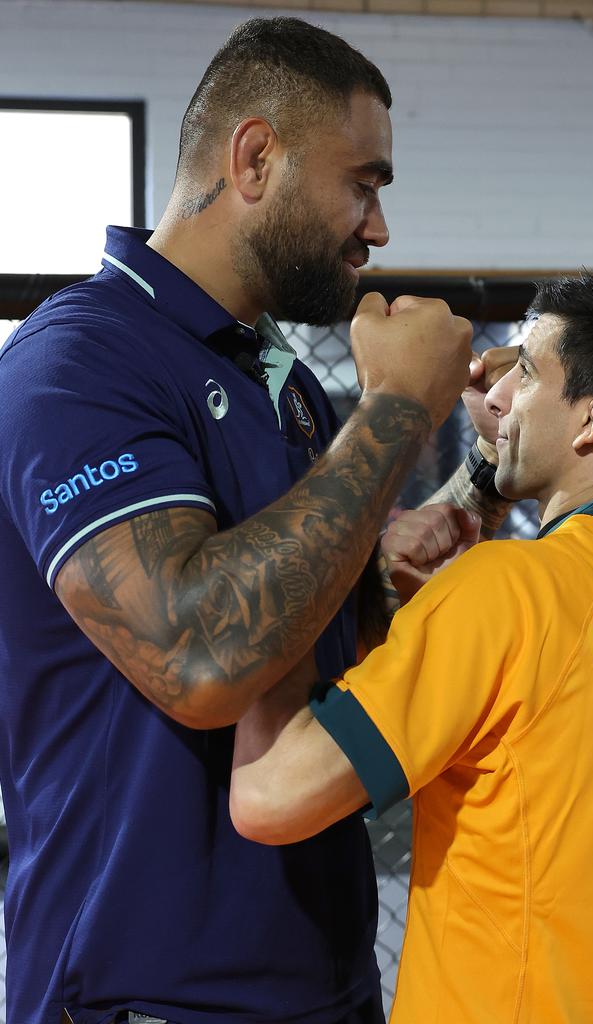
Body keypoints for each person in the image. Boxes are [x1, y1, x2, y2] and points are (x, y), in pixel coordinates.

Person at [0, 17, 514, 1024]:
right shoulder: (78, 367)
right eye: (362, 184)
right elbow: (198, 658)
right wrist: (396, 411)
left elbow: (301, 636)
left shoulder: (281, 385)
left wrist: (418, 534)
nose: (377, 230)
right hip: (141, 994)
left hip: (318, 979)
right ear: (255, 156)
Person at [230, 267, 593, 1024]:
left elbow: (269, 799)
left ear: (592, 422)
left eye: (527, 373)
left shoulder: (508, 590)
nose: (501, 395)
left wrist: (289, 590)